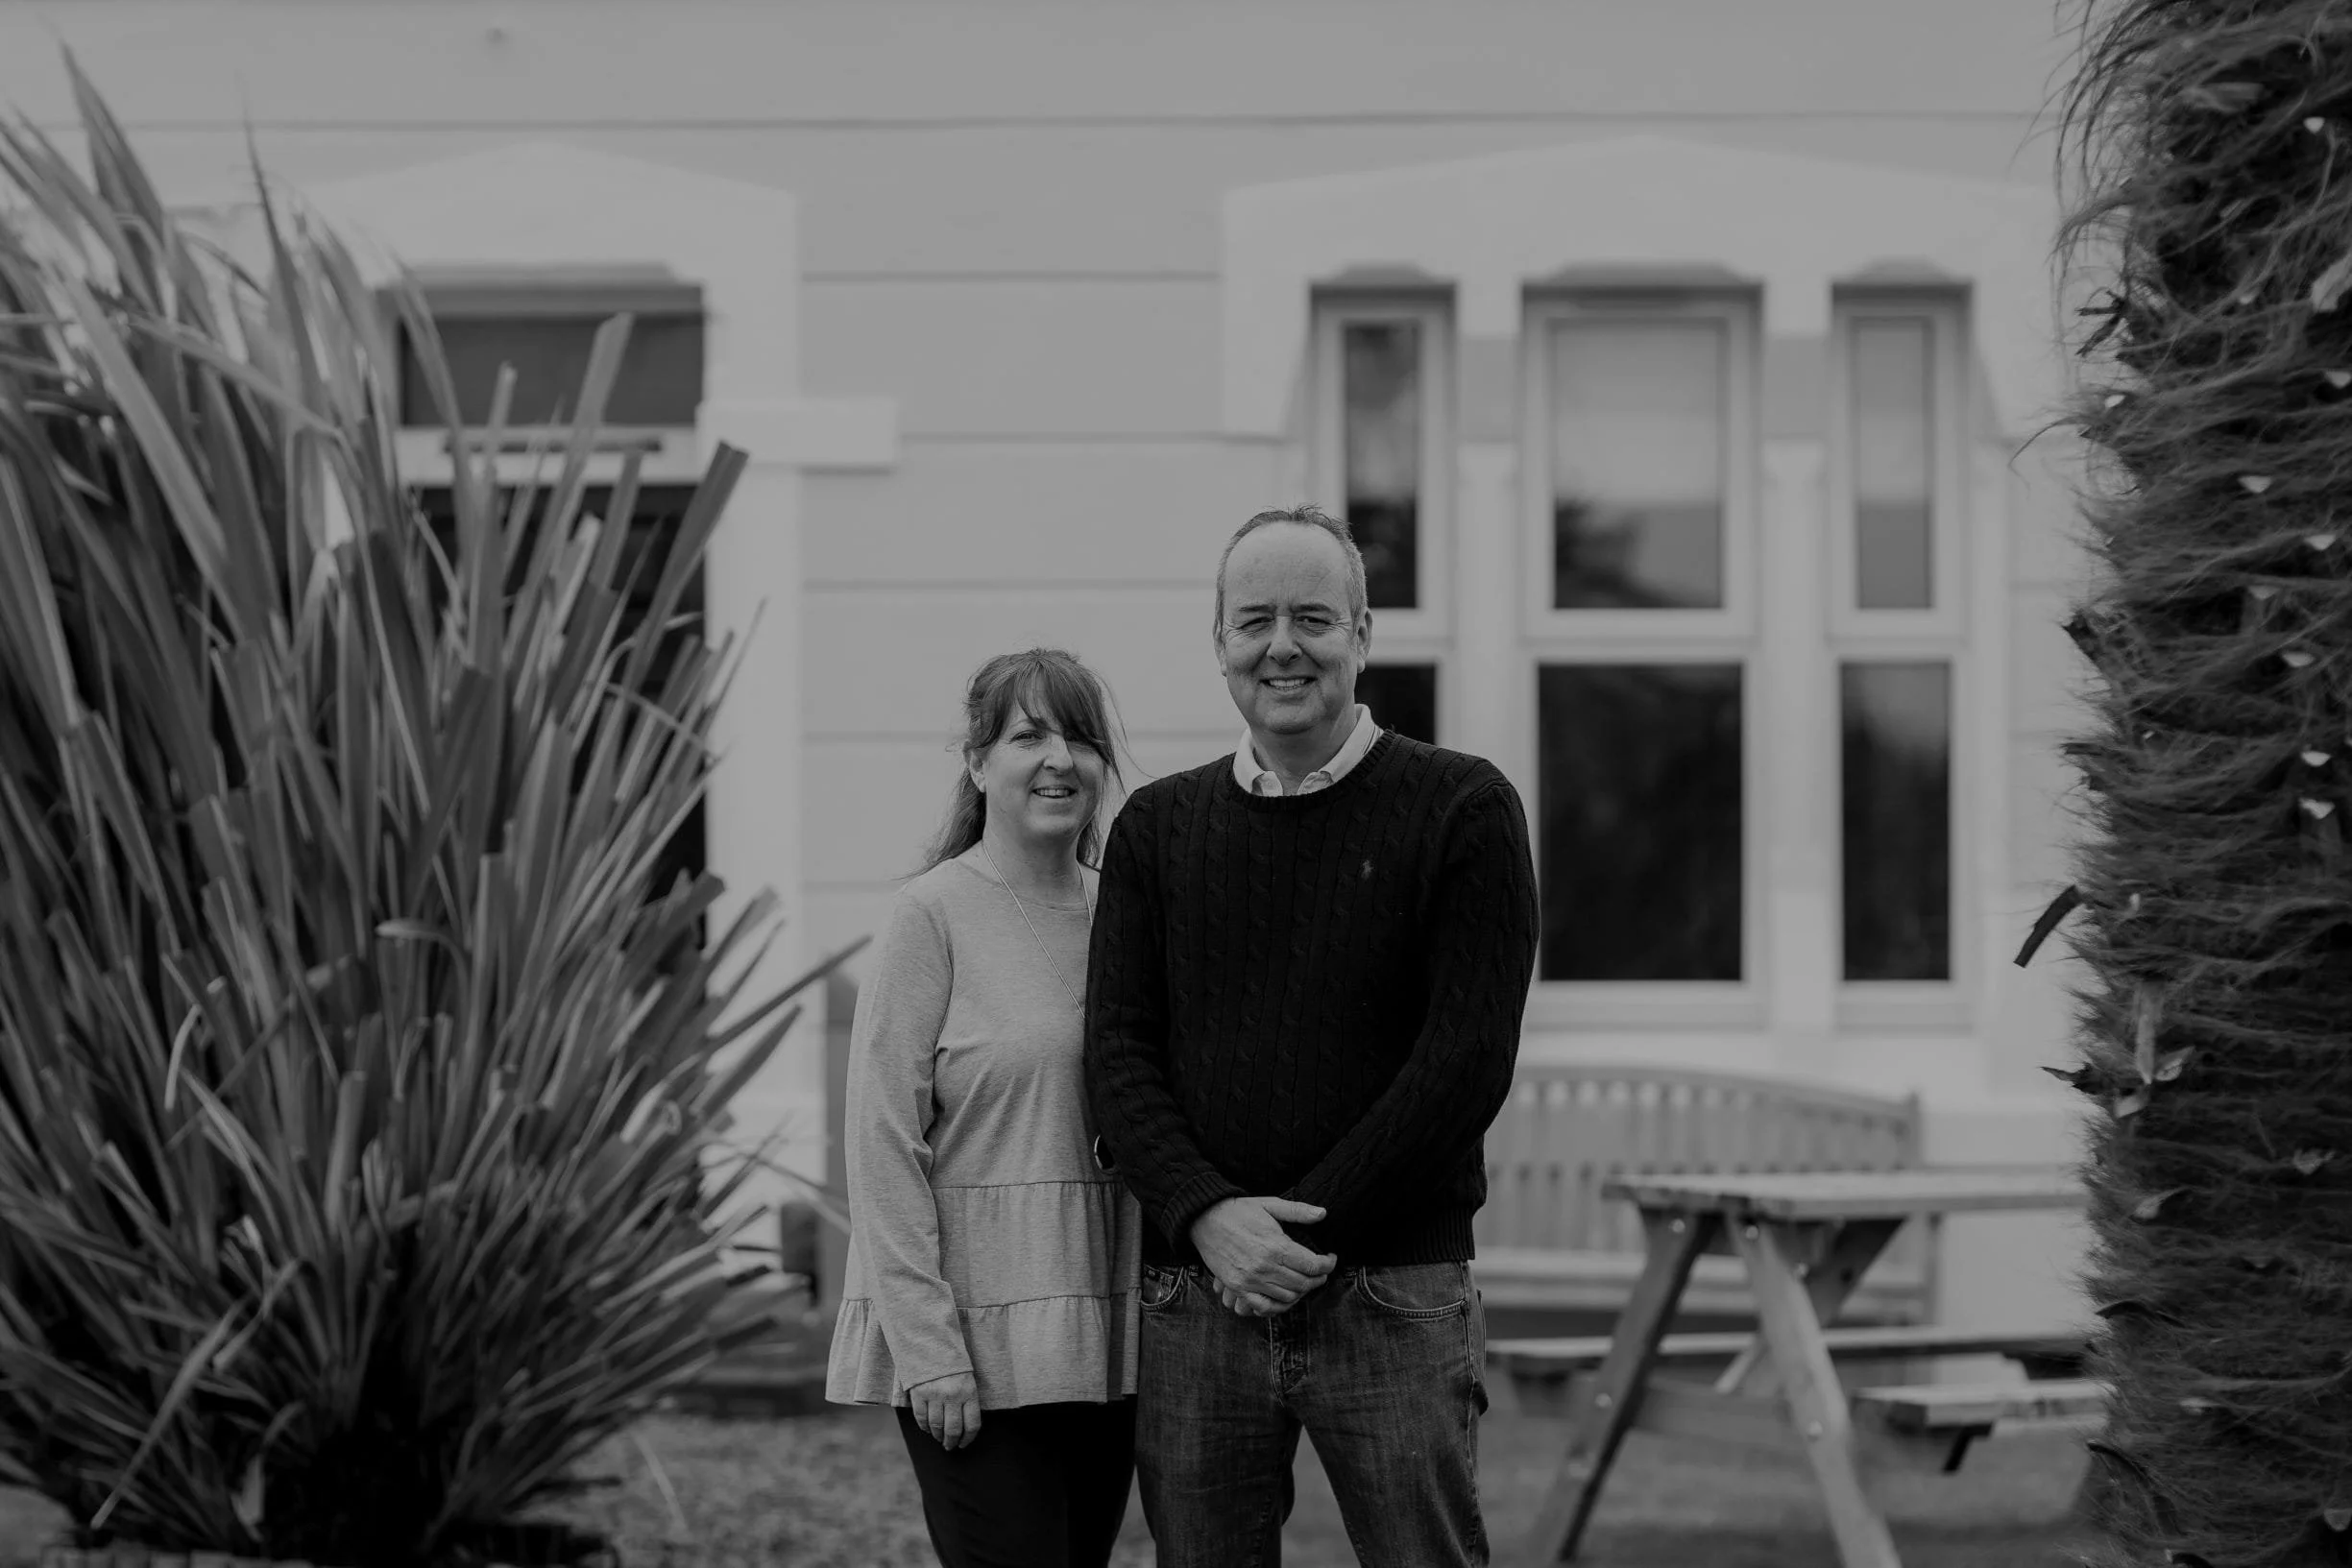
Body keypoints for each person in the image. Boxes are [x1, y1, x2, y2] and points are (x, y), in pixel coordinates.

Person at [1085, 506, 1541, 1567]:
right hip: (1196, 1295)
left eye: (1311, 617)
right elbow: (1116, 1054)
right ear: (1218, 643)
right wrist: (1209, 1220)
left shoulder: (1461, 808)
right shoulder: (1154, 828)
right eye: (1253, 620)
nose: (1280, 645)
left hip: (1392, 1290)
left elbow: (1465, 1058)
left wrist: (1290, 1237)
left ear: (1362, 632)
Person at [827, 648, 1144, 1568]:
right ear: (976, 762)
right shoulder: (930, 915)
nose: (1060, 759)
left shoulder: (1123, 909)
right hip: (971, 1348)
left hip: (1104, 1341)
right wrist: (928, 1352)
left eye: (1080, 736)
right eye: (1027, 735)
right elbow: (880, 1145)